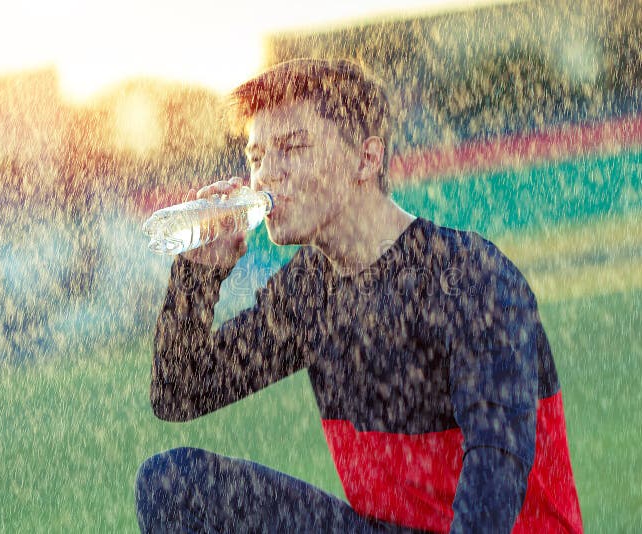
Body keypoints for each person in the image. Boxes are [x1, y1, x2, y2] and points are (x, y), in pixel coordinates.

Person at [135, 58, 583, 533]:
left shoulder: (468, 275)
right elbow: (179, 394)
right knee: (172, 484)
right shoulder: (308, 290)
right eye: (256, 157)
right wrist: (198, 276)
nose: (265, 176)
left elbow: (496, 466)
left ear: (366, 160)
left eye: (292, 147)